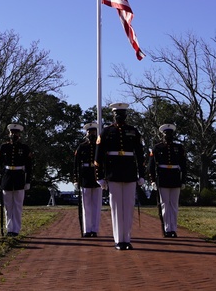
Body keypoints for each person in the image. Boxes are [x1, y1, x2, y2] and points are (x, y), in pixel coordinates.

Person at [95, 102, 145, 250]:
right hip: (113, 173)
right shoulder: (106, 132)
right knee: (116, 207)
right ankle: (119, 240)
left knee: (128, 206)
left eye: (122, 115)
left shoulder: (133, 131)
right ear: (114, 116)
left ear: (126, 116)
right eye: (118, 115)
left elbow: (140, 155)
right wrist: (100, 176)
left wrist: (141, 175)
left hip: (129, 172)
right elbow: (99, 156)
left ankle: (127, 239)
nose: (120, 117)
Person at [147, 123, 187, 238]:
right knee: (164, 204)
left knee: (174, 205)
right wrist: (153, 180)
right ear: (162, 135)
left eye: (170, 134)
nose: (168, 136)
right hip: (163, 178)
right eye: (166, 134)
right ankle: (166, 228)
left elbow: (183, 165)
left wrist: (183, 180)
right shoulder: (157, 148)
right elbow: (151, 166)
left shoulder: (179, 148)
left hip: (175, 178)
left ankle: (173, 229)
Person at [0, 123, 33, 236]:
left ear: (19, 134)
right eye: (12, 133)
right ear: (9, 133)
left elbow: (29, 166)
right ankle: (9, 229)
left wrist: (28, 181)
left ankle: (16, 229)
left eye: (16, 133)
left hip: (19, 177)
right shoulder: (4, 147)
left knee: (17, 205)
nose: (14, 135)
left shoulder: (24, 148)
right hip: (7, 177)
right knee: (7, 206)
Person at [73, 122, 101, 237]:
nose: (92, 134)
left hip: (97, 177)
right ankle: (87, 229)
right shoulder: (82, 146)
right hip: (85, 177)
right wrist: (75, 180)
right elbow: (75, 165)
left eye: (93, 132)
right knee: (86, 205)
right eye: (89, 132)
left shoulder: (99, 146)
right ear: (86, 133)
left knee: (96, 206)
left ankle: (94, 229)